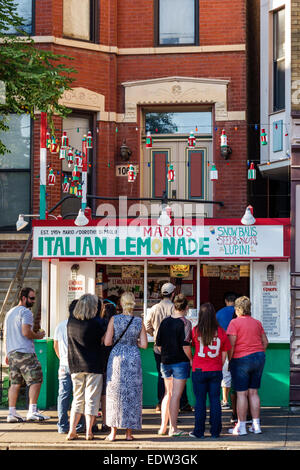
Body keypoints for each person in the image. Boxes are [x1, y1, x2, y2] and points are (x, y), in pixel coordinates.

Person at [104, 291, 148, 441]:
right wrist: (133, 342)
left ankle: (113, 433)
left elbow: (107, 342)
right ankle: (129, 434)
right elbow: (144, 344)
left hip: (116, 358)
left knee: (115, 394)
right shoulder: (138, 321)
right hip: (133, 358)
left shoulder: (114, 319)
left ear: (121, 304)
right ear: (133, 304)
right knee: (132, 395)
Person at [4, 287, 50, 422]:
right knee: (36, 378)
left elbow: (6, 334)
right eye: (31, 298)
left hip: (12, 352)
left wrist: (7, 352)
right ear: (23, 298)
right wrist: (38, 335)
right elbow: (26, 332)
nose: (33, 301)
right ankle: (32, 410)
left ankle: (12, 413)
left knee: (15, 383)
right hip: (24, 352)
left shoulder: (10, 313)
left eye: (34, 298)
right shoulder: (26, 312)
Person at [145, 282, 192, 413]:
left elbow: (147, 326)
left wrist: (154, 334)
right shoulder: (175, 308)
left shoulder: (154, 308)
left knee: (162, 376)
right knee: (179, 378)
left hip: (158, 348)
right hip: (176, 348)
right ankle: (182, 404)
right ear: (173, 294)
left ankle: (160, 403)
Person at [67, 294, 107, 441]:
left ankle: (72, 431)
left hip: (75, 364)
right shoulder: (98, 323)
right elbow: (105, 340)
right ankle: (89, 432)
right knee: (92, 399)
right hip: (94, 365)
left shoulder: (71, 322)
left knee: (77, 398)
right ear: (93, 307)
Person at [227, 296, 269, 436]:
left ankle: (242, 427)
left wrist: (230, 360)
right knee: (253, 392)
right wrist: (258, 354)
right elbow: (265, 342)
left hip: (240, 359)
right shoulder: (257, 323)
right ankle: (256, 426)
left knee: (241, 394)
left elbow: (231, 345)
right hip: (258, 358)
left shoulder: (234, 323)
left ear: (237, 309)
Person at [190, 303, 232, 439]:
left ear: (200, 316)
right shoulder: (221, 332)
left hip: (199, 369)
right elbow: (224, 354)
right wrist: (218, 365)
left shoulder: (196, 331)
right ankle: (215, 432)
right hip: (215, 369)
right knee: (215, 400)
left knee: (200, 401)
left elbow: (190, 346)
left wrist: (192, 360)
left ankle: (199, 431)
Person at [155, 294, 192, 437]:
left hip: (165, 362)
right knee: (176, 395)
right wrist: (191, 359)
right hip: (180, 362)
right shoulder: (185, 323)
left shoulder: (165, 322)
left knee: (167, 394)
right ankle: (174, 428)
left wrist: (166, 353)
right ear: (186, 307)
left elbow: (158, 345)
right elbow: (185, 346)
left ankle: (162, 427)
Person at [53, 299, 85, 434]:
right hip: (78, 365)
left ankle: (62, 425)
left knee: (63, 396)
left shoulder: (60, 326)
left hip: (64, 365)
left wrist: (62, 358)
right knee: (79, 396)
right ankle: (78, 425)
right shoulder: (80, 326)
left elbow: (56, 346)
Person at [216, 292, 237, 410]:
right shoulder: (238, 313)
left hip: (223, 346)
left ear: (225, 301)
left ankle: (225, 400)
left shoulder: (219, 313)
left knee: (225, 374)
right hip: (238, 347)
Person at [99, 299, 117, 432]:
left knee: (98, 393)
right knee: (111, 393)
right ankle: (109, 421)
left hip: (100, 360)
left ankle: (94, 423)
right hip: (114, 360)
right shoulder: (117, 324)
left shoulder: (98, 324)